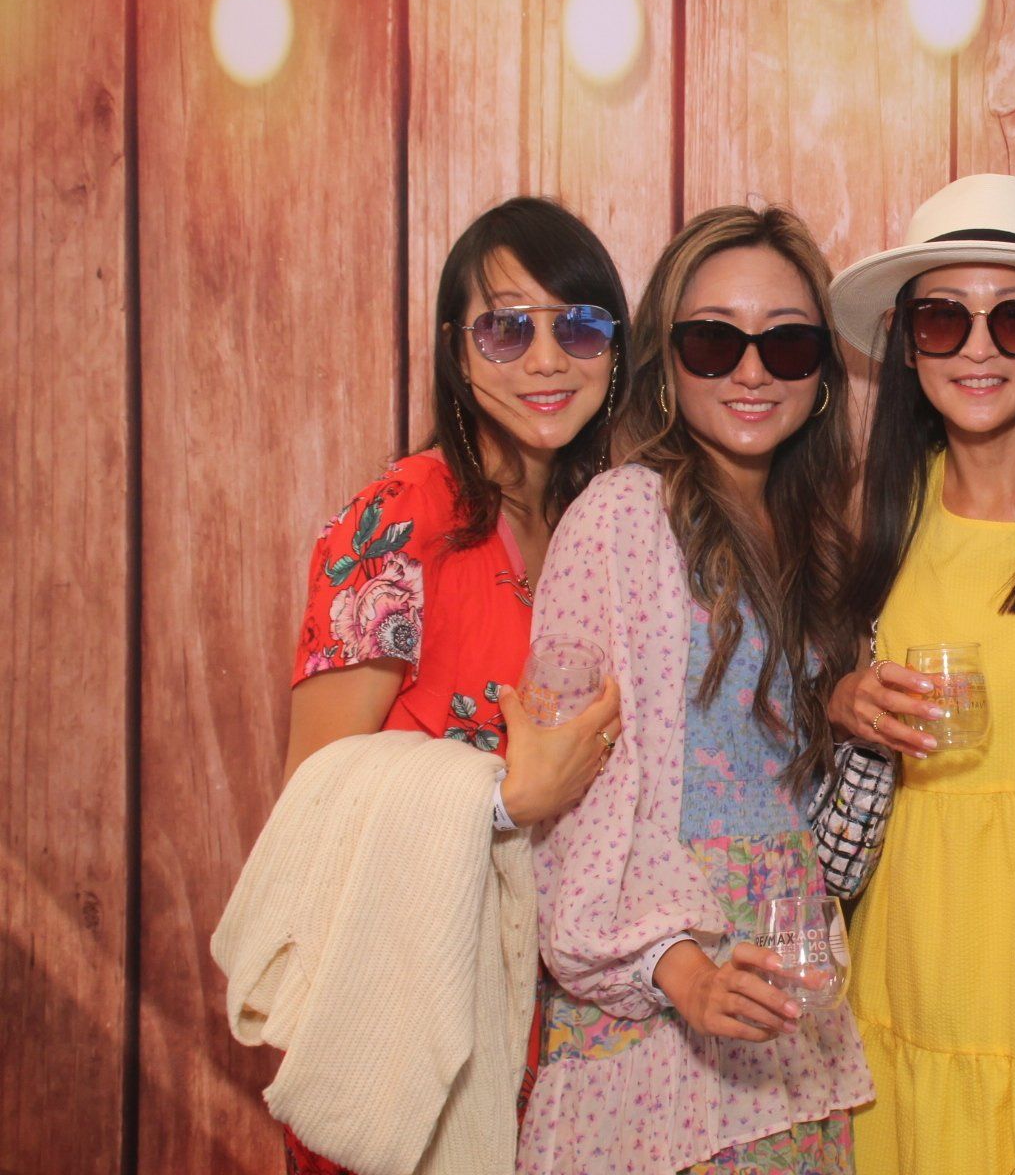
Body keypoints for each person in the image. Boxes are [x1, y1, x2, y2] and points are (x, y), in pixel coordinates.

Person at [517, 205, 873, 1174]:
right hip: (661, 995)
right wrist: (680, 970)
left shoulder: (815, 537)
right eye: (714, 341)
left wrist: (841, 708)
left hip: (785, 984)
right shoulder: (623, 517)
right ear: (666, 362)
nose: (752, 372)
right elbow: (571, 792)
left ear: (821, 374)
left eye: (786, 343)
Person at [277, 196, 625, 1173]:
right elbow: (313, 797)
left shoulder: (603, 524)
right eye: (506, 329)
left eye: (580, 327)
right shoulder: (400, 520)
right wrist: (505, 797)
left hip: (563, 1033)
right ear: (455, 351)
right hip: (412, 1017)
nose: (547, 359)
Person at [825, 173, 1015, 1174]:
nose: (979, 348)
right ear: (909, 345)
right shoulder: (874, 518)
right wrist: (841, 700)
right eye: (945, 318)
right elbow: (783, 703)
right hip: (908, 959)